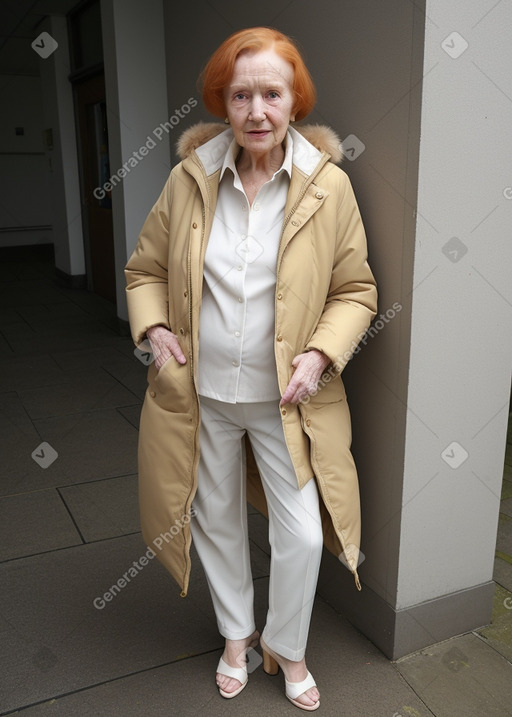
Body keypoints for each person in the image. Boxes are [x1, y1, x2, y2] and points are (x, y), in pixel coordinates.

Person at [125, 26, 377, 712]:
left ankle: (287, 645)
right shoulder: (189, 178)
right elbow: (144, 270)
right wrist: (152, 326)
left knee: (299, 530)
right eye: (241, 95)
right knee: (215, 518)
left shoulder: (330, 187)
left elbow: (357, 291)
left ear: (295, 99)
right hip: (200, 394)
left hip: (286, 399)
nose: (257, 110)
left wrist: (321, 352)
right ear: (222, 102)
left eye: (272, 92)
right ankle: (236, 636)